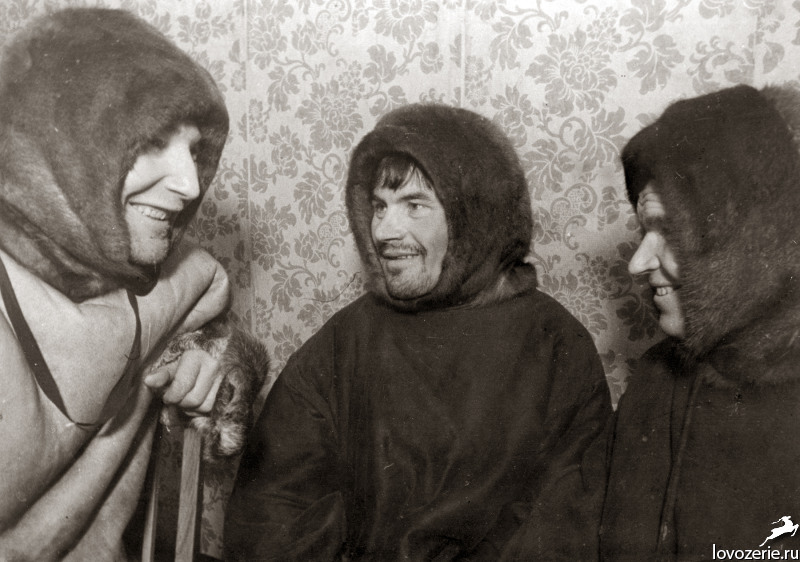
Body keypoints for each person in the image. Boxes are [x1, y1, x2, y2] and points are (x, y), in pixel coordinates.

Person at [225, 104, 612, 560]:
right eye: (379, 206)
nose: (385, 231)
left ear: (475, 217)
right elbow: (272, 504)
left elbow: (566, 525)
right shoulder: (346, 339)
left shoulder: (556, 345)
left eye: (414, 206)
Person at [0, 8, 266, 561]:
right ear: (64, 143)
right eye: (152, 142)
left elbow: (209, 310)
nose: (190, 184)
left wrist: (220, 360)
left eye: (195, 150)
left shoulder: (162, 271)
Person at [600, 84, 800, 559]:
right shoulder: (655, 378)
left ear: (750, 238)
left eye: (668, 230)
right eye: (644, 230)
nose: (637, 263)